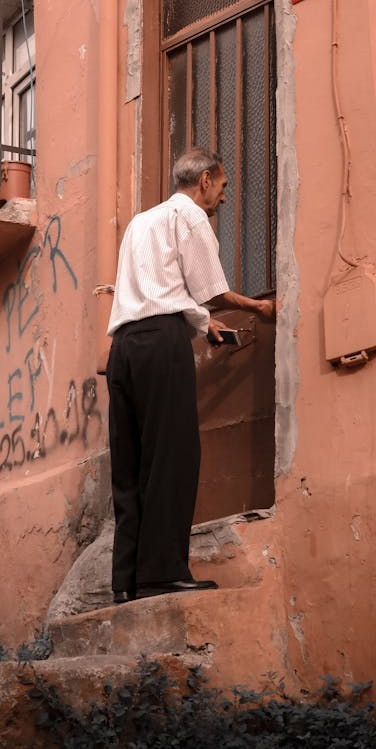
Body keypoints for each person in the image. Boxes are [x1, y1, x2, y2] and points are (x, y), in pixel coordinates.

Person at [105, 147, 275, 604]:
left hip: (123, 348)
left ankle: (127, 582)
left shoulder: (141, 222)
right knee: (172, 457)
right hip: (161, 344)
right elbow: (211, 290)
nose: (223, 198)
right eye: (221, 188)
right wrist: (259, 307)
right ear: (203, 181)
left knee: (131, 464)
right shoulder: (191, 217)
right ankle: (162, 573)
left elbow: (160, 287)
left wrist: (201, 323)